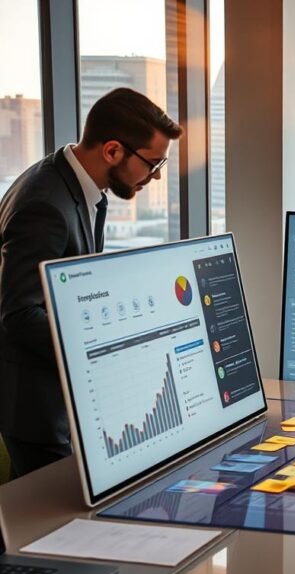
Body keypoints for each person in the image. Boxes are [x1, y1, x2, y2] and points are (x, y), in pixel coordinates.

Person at [0, 87, 181, 478]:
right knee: (56, 531)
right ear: (113, 151)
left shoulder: (73, 186)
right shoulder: (44, 203)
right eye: (153, 162)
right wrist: (103, 351)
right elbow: (19, 314)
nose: (157, 175)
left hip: (62, 404)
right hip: (38, 412)